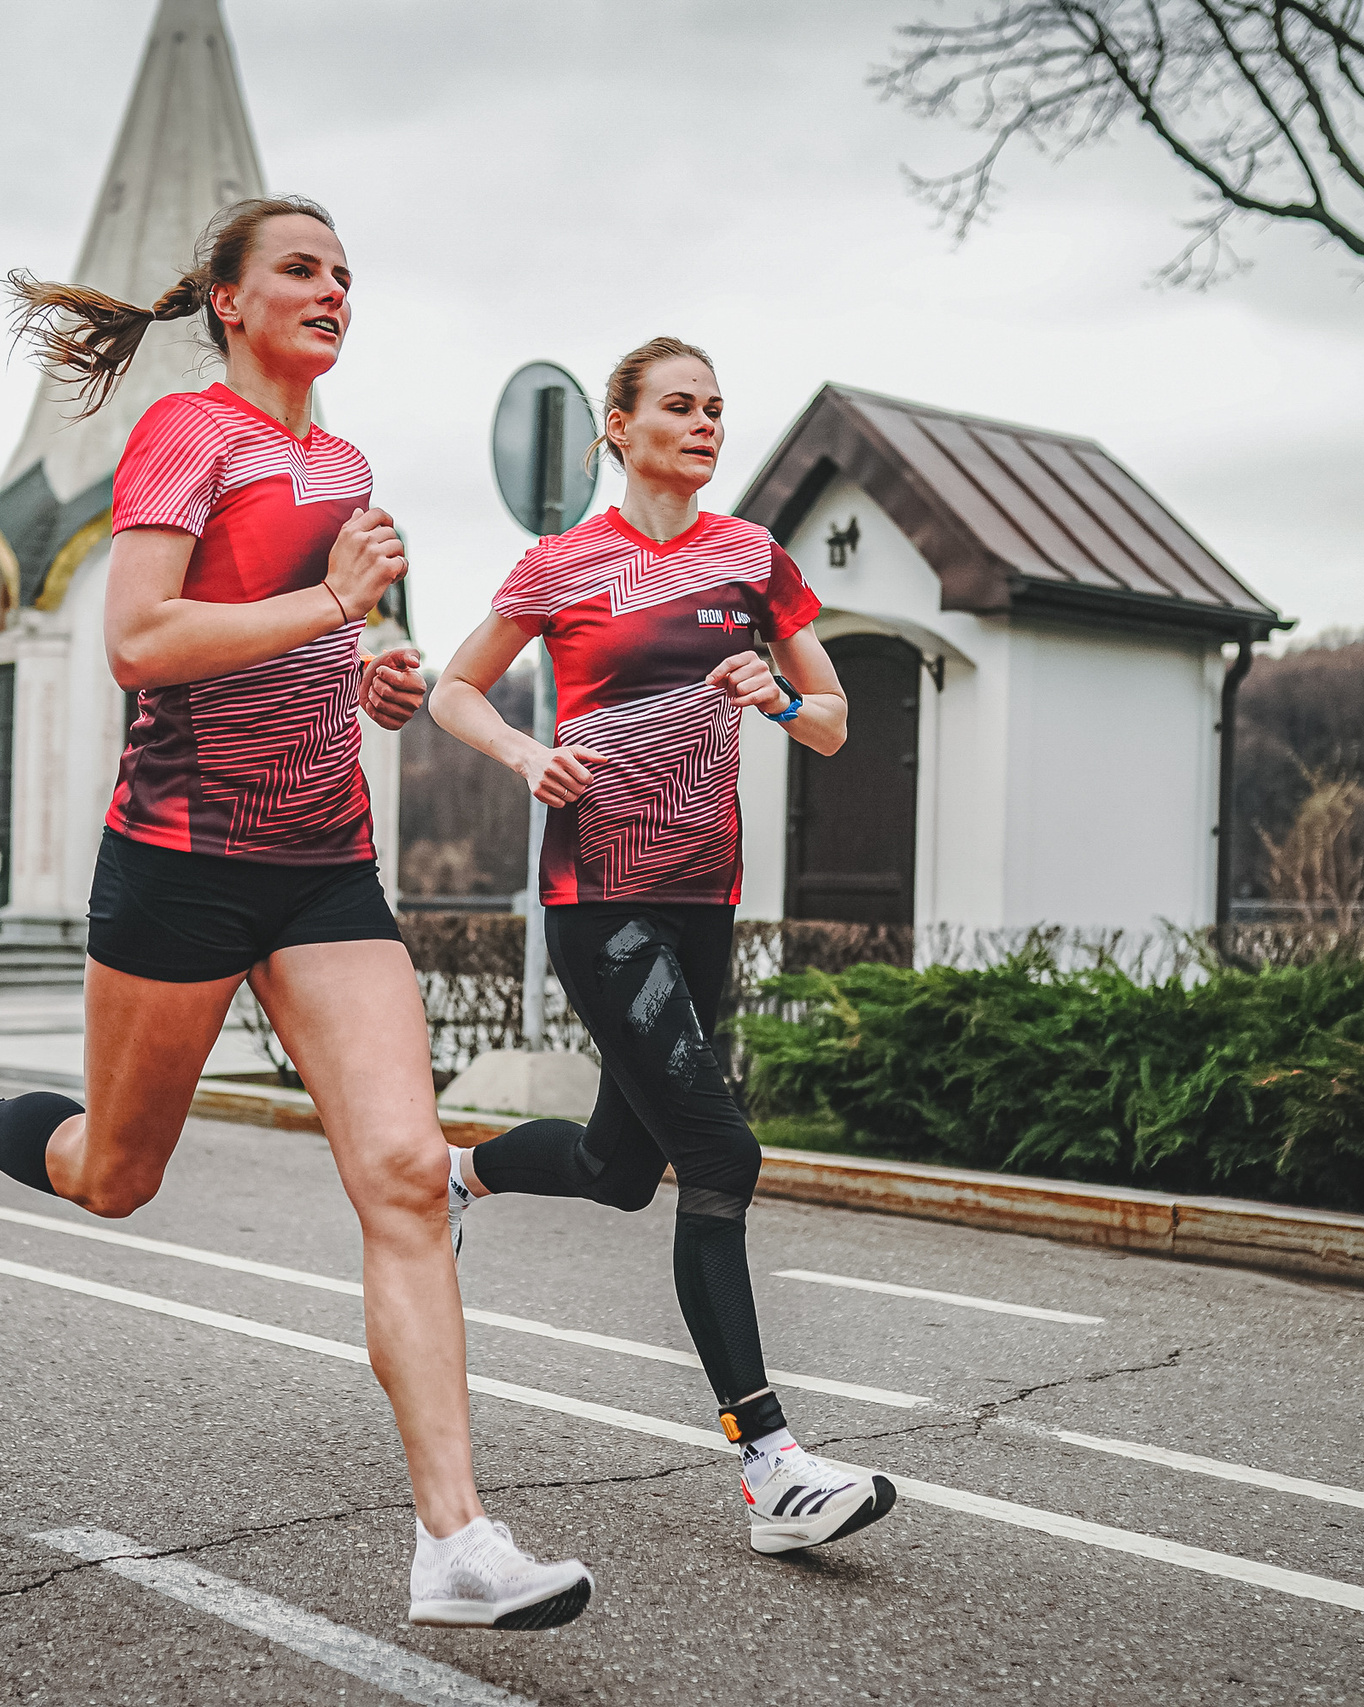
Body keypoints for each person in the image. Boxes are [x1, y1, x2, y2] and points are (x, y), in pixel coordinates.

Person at [0, 197, 592, 1630]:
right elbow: (143, 640)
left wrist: (375, 671)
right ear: (227, 298)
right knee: (116, 1172)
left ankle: (454, 1538)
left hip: (323, 859)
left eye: (346, 272)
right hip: (181, 854)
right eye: (301, 268)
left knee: (405, 1172)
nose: (334, 288)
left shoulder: (344, 459)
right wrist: (330, 605)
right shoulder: (186, 436)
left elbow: (341, 639)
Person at [429, 337, 896, 1556]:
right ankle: (771, 1467)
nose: (704, 425)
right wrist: (530, 756)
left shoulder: (754, 560)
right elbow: (453, 690)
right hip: (598, 901)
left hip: (702, 903)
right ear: (618, 429)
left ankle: (457, 1175)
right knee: (720, 1157)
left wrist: (780, 701)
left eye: (716, 409)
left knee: (620, 1166)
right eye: (679, 407)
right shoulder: (561, 564)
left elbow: (837, 724)